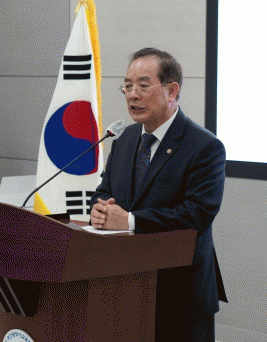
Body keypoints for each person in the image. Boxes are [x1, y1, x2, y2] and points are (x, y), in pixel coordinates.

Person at [90, 48, 227, 342]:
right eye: (127, 86)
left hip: (180, 294)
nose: (132, 95)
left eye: (143, 85)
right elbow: (104, 192)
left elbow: (197, 214)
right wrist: (98, 210)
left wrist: (130, 221)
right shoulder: (124, 139)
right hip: (123, 289)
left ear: (171, 91)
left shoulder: (204, 147)